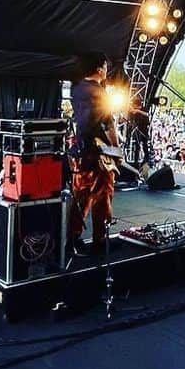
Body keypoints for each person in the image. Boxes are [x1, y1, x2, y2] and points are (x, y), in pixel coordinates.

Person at [67, 52, 120, 256]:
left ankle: (72, 239)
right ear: (99, 69)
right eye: (105, 66)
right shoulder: (100, 92)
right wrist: (116, 150)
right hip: (99, 153)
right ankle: (100, 240)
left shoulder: (76, 88)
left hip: (81, 150)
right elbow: (108, 124)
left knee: (81, 197)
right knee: (103, 196)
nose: (107, 70)